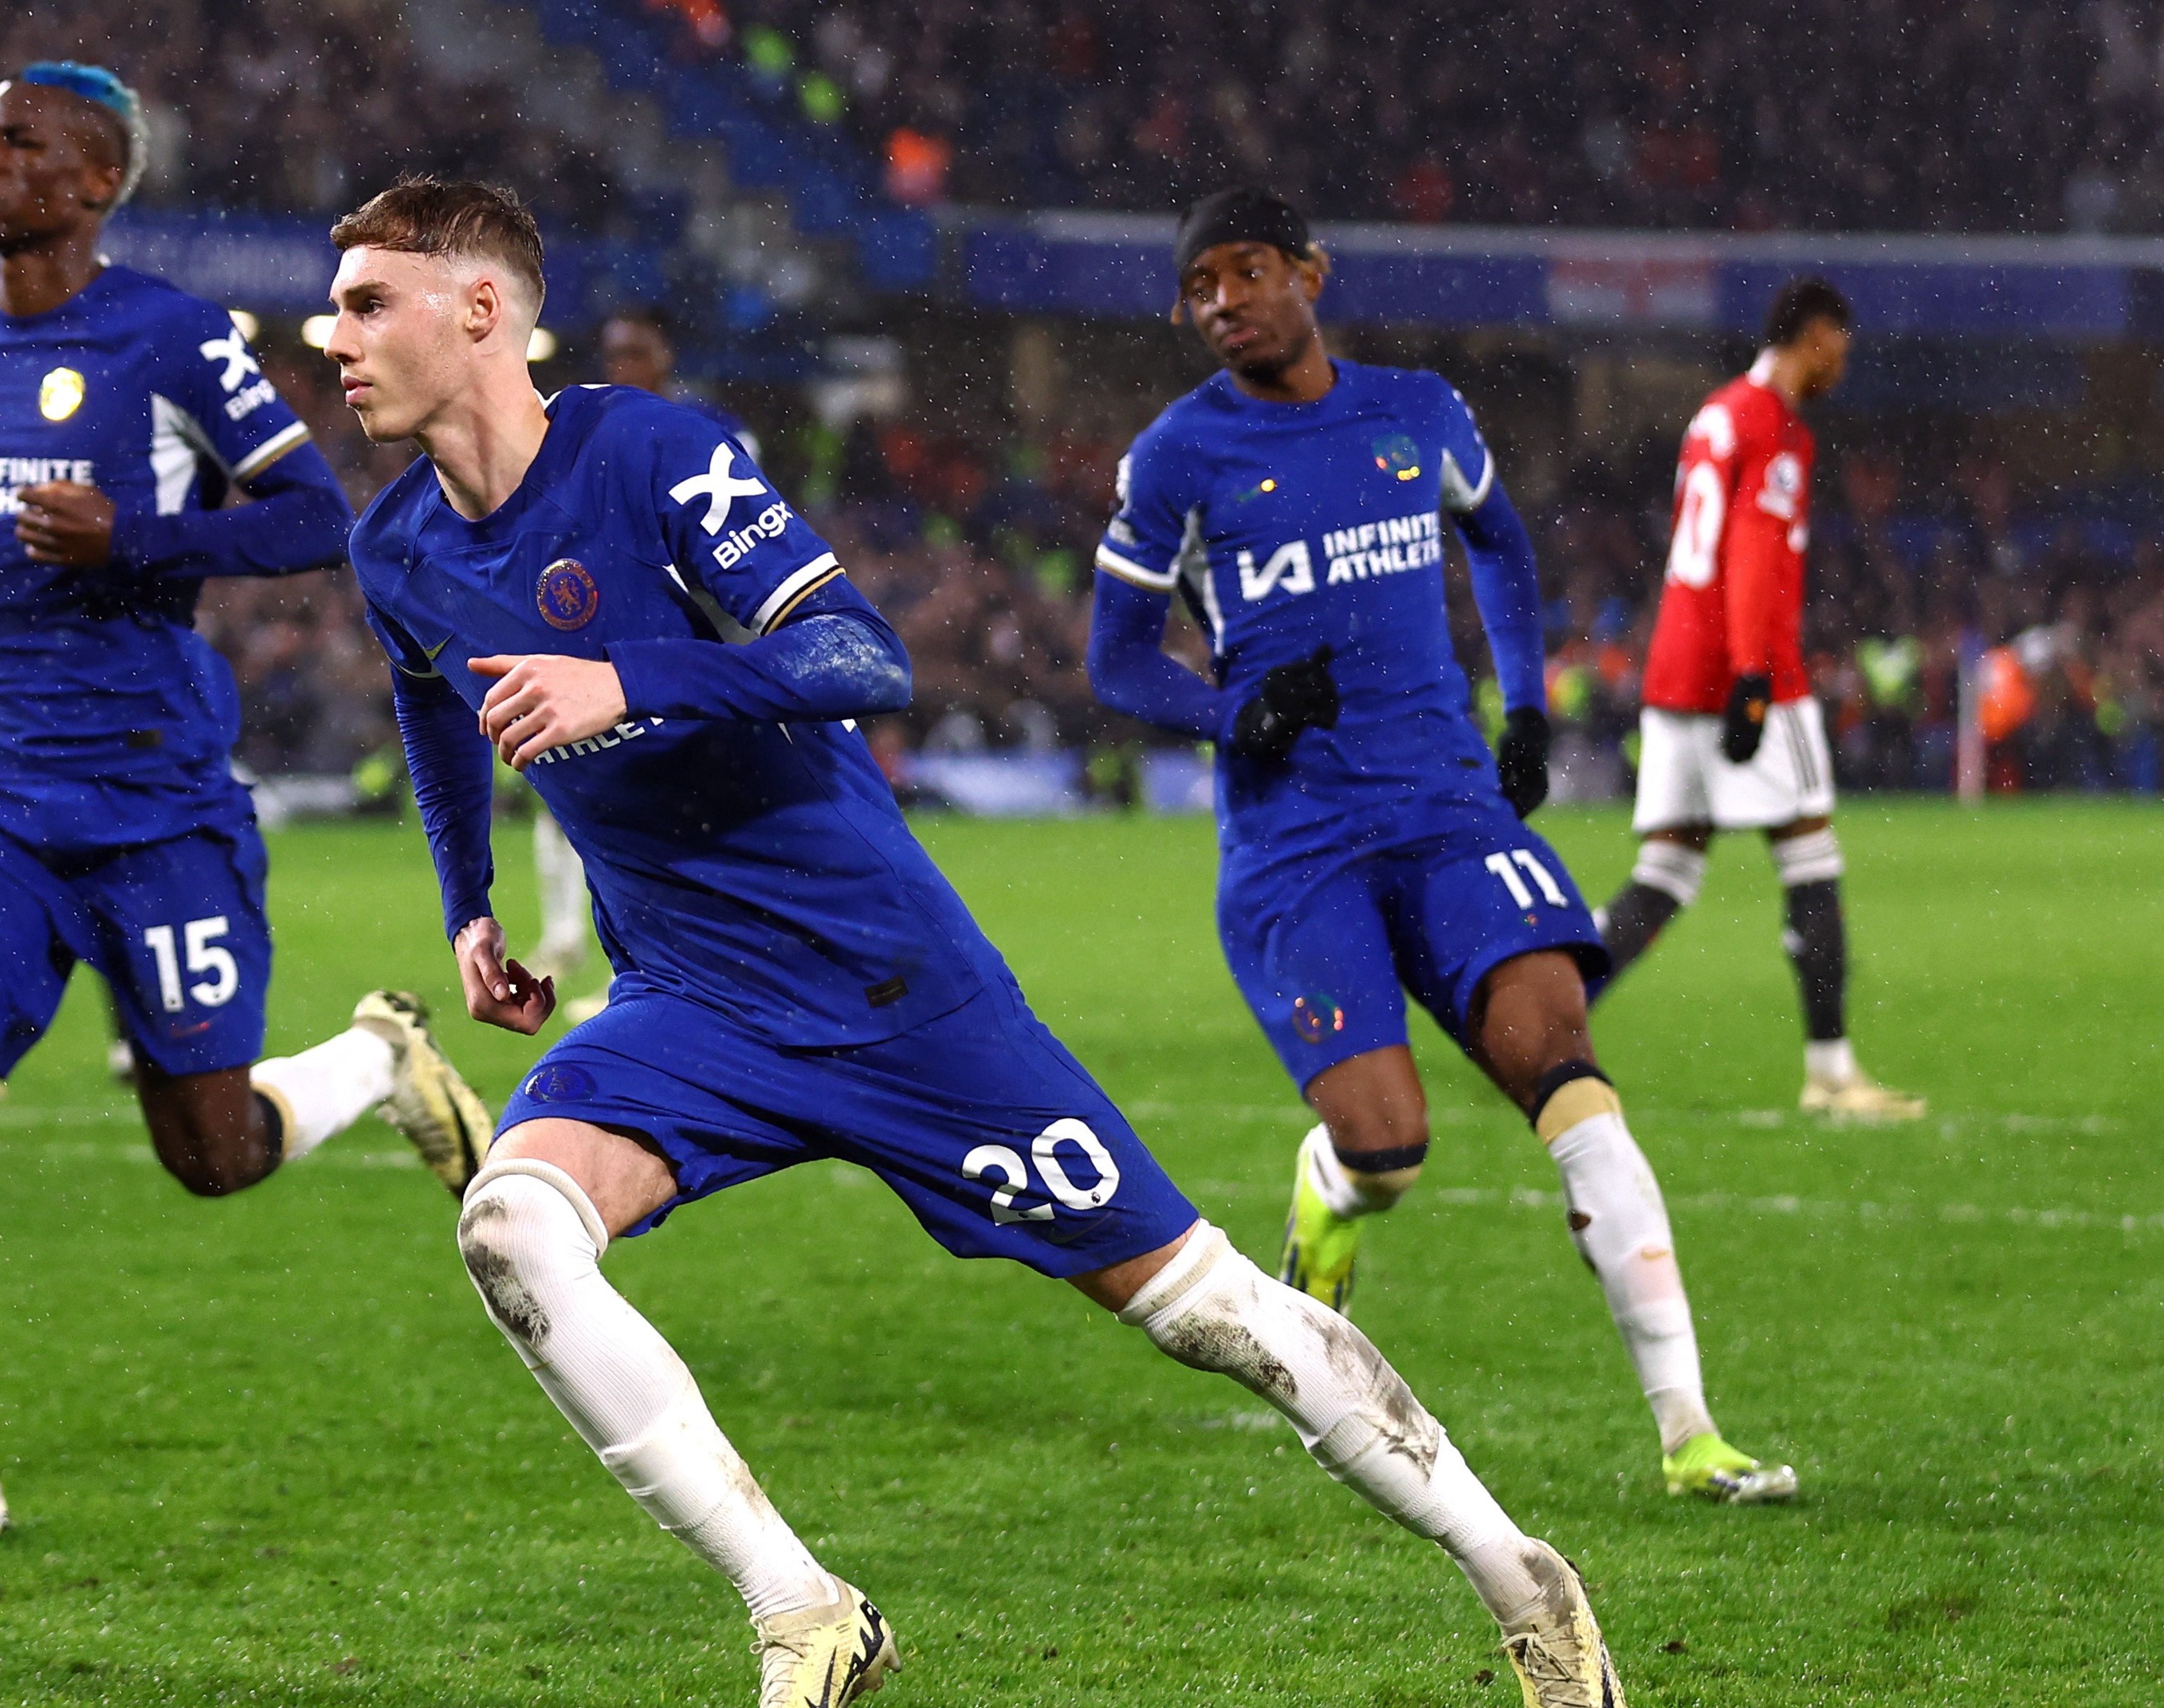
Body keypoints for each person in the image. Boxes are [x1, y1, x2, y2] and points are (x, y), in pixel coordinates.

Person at [328, 176, 1626, 1708]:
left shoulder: (654, 452)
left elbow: (856, 652)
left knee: (1211, 1315)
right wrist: (471, 901)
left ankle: (1519, 1573)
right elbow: (432, 693)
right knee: (511, 1230)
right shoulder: (397, 542)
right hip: (689, 1002)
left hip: (891, 989)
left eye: (364, 302)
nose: (333, 336)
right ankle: (804, 1608)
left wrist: (629, 676)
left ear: (480, 310)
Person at [0, 65, 493, 1553]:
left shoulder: (174, 334)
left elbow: (316, 515)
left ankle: (380, 1058)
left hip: (150, 792)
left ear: (96, 184)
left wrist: (138, 533)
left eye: (20, 141)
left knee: (212, 1153)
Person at [1086, 186, 1796, 1511]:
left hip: (1453, 813)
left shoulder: (1420, 410)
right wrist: (1232, 708)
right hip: (1299, 846)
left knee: (1573, 1078)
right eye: (1200, 289)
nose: (1223, 302)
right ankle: (1331, 1190)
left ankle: (1693, 1430)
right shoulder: (1179, 457)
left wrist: (1524, 701)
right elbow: (1114, 659)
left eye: (1245, 273)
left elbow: (1502, 544)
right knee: (1389, 1145)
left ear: (1311, 269)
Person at [1592, 279, 1924, 1122]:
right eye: (1837, 353)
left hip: (1675, 664)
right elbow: (1751, 553)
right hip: (1749, 672)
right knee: (1812, 860)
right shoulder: (1775, 428)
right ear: (1811, 337)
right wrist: (1751, 678)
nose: (1838, 371)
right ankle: (1832, 1074)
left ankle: (1534, 1030)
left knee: (1662, 875)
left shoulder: (1716, 413)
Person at [520, 307, 763, 1014]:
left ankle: (683, 973)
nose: (620, 365)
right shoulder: (592, 433)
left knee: (692, 805)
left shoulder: (707, 429)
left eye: (634, 351)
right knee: (577, 781)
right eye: (611, 351)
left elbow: (726, 540)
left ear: (665, 355)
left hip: (706, 643)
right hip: (626, 641)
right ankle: (586, 945)